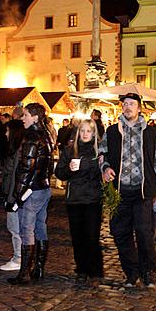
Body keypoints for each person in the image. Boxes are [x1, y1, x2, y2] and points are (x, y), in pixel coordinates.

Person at [99, 93, 156, 289]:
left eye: (132, 104)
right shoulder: (112, 131)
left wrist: (154, 180)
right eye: (125, 104)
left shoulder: (151, 133)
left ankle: (148, 271)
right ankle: (131, 272)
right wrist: (105, 168)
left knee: (145, 233)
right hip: (119, 192)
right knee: (120, 233)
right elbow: (102, 153)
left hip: (143, 191)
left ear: (139, 108)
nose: (127, 107)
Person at [7, 103, 54, 285]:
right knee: (40, 226)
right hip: (43, 188)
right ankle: (38, 268)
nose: (22, 118)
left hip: (32, 190)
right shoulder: (46, 135)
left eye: (25, 115)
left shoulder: (32, 137)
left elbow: (26, 167)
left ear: (35, 117)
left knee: (26, 229)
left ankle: (24, 273)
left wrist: (18, 195)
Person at [54, 119, 104, 285]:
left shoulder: (99, 151)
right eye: (82, 131)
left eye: (88, 131)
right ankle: (81, 268)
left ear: (94, 133)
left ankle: (95, 270)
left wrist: (84, 165)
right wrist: (69, 168)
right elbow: (59, 173)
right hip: (74, 199)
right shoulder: (70, 150)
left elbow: (101, 169)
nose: (85, 134)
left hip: (92, 199)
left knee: (92, 235)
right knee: (77, 236)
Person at [0, 106, 26, 272]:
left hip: (14, 195)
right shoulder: (15, 150)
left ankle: (19, 257)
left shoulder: (18, 152)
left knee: (15, 227)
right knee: (16, 227)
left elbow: (14, 174)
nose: (6, 134)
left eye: (8, 131)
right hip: (12, 193)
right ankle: (19, 256)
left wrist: (11, 197)